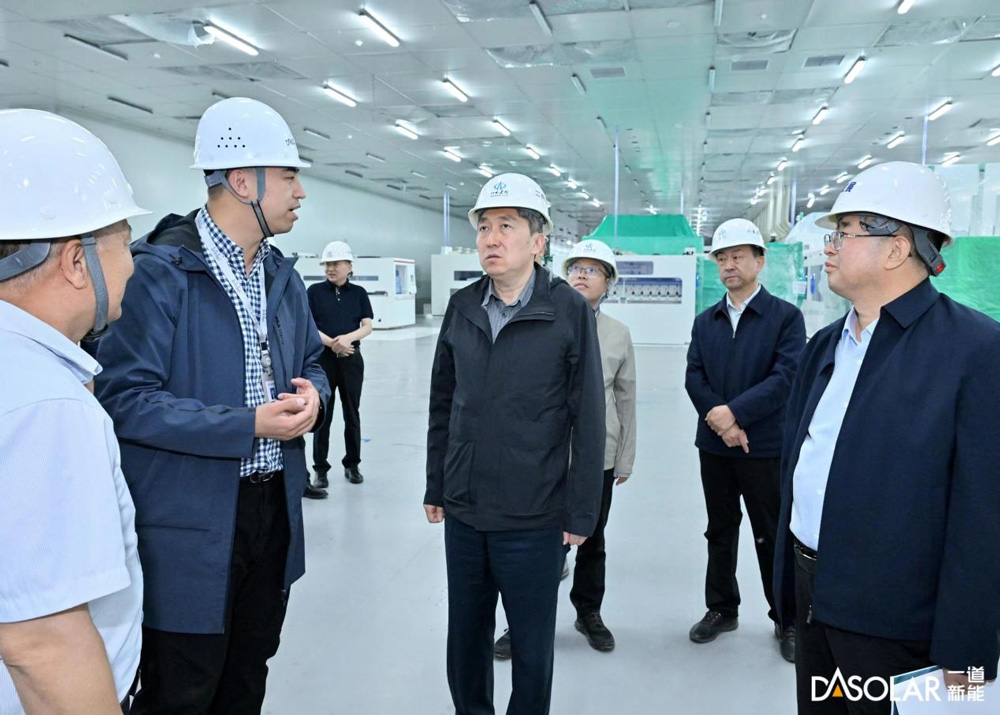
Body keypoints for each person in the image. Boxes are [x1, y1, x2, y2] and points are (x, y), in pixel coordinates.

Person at [87, 97, 330, 715]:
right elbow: (124, 400)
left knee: (248, 676)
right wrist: (247, 425)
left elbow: (312, 361)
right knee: (183, 689)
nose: (301, 192)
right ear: (244, 182)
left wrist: (314, 395)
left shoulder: (282, 275)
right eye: (290, 176)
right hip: (191, 523)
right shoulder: (158, 272)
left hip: (272, 513)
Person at [774, 161, 1000, 713]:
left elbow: (983, 519)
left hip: (895, 626)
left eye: (844, 232)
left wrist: (967, 659)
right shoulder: (825, 344)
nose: (828, 246)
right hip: (813, 598)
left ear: (897, 248)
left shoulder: (975, 350)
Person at [424, 173, 605, 715]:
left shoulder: (567, 310)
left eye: (506, 226)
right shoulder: (462, 305)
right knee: (466, 641)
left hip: (534, 514)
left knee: (530, 648)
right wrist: (436, 483)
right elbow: (442, 402)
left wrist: (581, 510)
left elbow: (588, 417)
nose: (491, 238)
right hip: (465, 509)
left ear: (538, 241)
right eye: (484, 227)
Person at [0, 109, 147, 714]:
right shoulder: (46, 404)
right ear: (76, 260)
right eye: (124, 242)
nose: (133, 263)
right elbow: (41, 644)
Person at [494, 239, 636, 658]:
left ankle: (588, 613)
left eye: (592, 270)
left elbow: (625, 398)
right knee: (536, 544)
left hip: (597, 458)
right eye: (575, 268)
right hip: (543, 456)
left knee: (592, 539)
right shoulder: (540, 321)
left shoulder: (617, 335)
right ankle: (523, 623)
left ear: (608, 282)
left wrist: (624, 458)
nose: (581, 276)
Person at [685, 218, 804, 662]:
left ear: (759, 260)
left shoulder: (785, 318)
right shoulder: (706, 321)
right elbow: (694, 376)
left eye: (737, 256)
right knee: (719, 528)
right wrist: (722, 423)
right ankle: (722, 608)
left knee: (771, 532)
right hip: (715, 447)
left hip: (764, 446)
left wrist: (735, 413)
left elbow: (786, 376)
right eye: (722, 258)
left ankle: (787, 618)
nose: (729, 265)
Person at [307, 240, 373, 494]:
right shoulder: (314, 292)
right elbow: (309, 325)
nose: (330, 268)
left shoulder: (359, 293)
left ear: (349, 266)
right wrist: (334, 344)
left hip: (351, 360)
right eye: (327, 264)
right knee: (322, 414)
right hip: (323, 361)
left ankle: (352, 465)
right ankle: (320, 469)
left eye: (335, 263)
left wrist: (347, 340)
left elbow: (367, 326)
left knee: (351, 413)